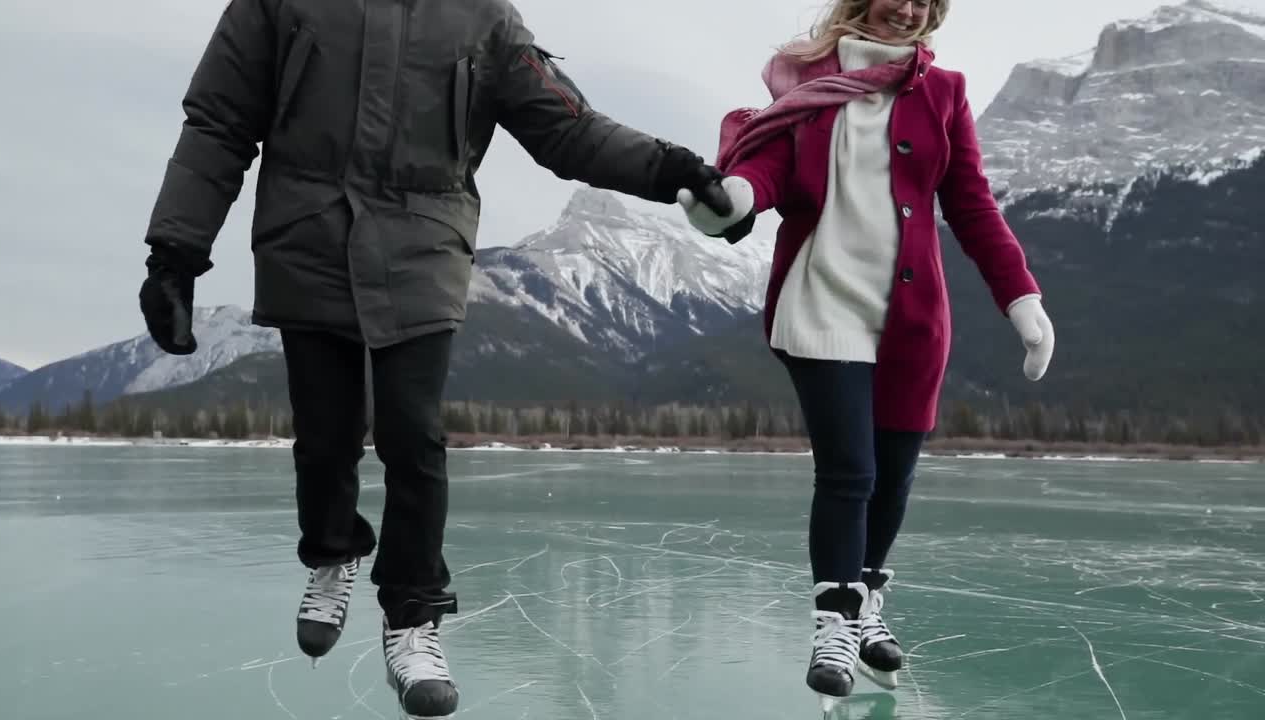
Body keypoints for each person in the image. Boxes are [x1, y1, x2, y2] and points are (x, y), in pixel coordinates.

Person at [135, 1, 733, 717]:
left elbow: (564, 128)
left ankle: (413, 617)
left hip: (423, 240)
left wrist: (670, 168)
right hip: (307, 236)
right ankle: (331, 554)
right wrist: (175, 252)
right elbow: (219, 121)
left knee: (413, 433)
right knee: (325, 434)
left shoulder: (483, 17)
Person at [678, 0, 1055, 709]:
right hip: (823, 300)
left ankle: (867, 597)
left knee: (894, 477)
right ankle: (835, 622)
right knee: (850, 472)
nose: (908, 7)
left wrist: (1022, 299)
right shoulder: (802, 82)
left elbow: (971, 204)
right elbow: (768, 174)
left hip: (912, 318)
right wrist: (731, 199)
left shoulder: (942, 91)